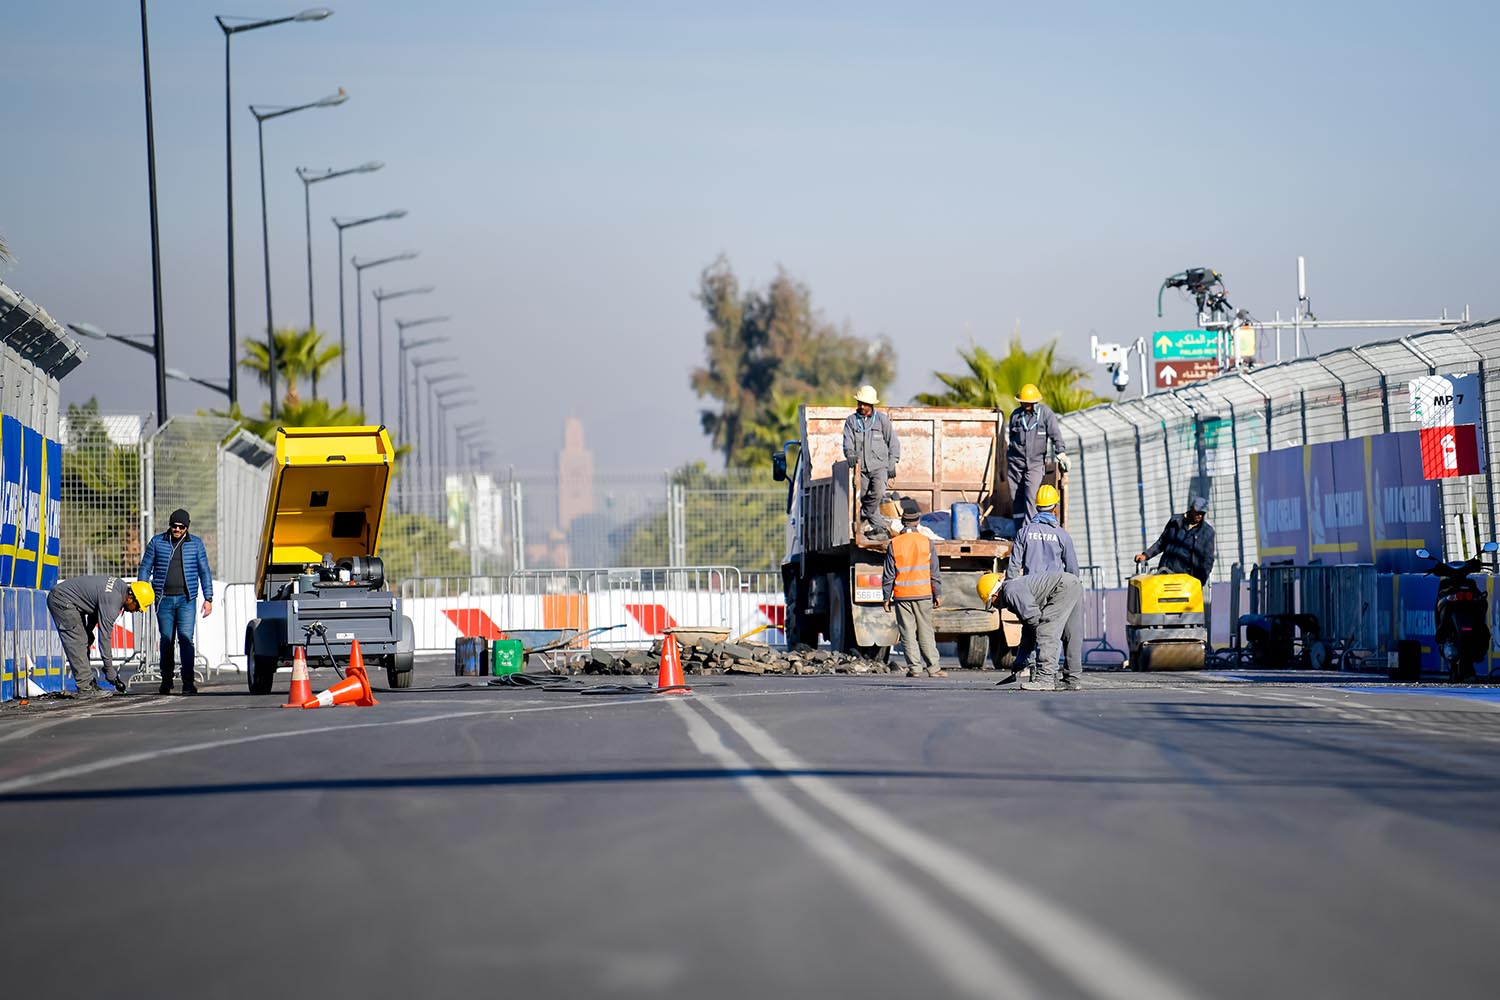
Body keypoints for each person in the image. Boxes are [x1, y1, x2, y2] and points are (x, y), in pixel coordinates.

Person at [1010, 484, 1083, 690]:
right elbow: (1072, 570)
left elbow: (1013, 568)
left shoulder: (1024, 533)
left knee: (1034, 631)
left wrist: (1013, 595)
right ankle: (1072, 679)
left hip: (1032, 591)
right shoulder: (1062, 535)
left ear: (1036, 507)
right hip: (1058, 591)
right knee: (1070, 634)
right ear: (1055, 509)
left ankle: (1035, 673)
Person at [138, 507, 215, 695]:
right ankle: (166, 680)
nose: (177, 530)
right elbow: (145, 568)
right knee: (166, 640)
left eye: (181, 527)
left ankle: (188, 681)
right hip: (163, 599)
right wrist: (142, 594)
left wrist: (208, 597)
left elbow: (204, 570)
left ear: (187, 527)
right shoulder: (157, 542)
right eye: (174, 526)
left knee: (186, 640)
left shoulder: (196, 544)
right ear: (170, 526)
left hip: (186, 599)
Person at [47, 576, 155, 698]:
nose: (139, 610)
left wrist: (88, 631)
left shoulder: (119, 588)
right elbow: (104, 638)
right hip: (62, 601)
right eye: (139, 606)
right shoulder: (113, 602)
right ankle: (85, 687)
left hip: (68, 600)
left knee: (84, 639)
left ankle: (87, 683)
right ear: (131, 598)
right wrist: (110, 671)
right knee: (79, 642)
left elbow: (96, 609)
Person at [978, 565, 1082, 692]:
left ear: (994, 593)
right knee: (1070, 634)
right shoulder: (1014, 588)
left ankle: (1045, 679)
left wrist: (1032, 660)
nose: (995, 606)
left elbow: (1035, 621)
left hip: (1061, 588)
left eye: (991, 602)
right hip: (1072, 583)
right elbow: (1028, 628)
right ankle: (1072, 680)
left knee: (1045, 630)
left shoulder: (1010, 591)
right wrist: (1021, 658)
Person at [883, 498, 943, 678]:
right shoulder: (927, 542)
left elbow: (888, 574)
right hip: (924, 594)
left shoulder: (894, 544)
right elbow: (934, 571)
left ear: (903, 522)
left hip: (902, 596)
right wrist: (937, 593)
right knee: (925, 630)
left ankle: (914, 669)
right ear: (917, 522)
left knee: (907, 632)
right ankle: (933, 668)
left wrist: (886, 597)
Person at [843, 384, 900, 540]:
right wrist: (850, 454)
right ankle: (880, 528)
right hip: (860, 469)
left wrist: (892, 462)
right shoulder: (851, 421)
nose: (861, 406)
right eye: (860, 403)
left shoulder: (882, 420)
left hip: (879, 466)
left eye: (865, 404)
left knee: (879, 491)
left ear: (872, 404)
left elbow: (893, 443)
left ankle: (862, 515)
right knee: (865, 496)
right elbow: (847, 443)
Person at [1006, 383, 1069, 521]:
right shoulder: (1015, 416)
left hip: (1035, 463)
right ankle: (1018, 532)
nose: (1026, 405)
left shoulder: (1046, 414)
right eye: (1024, 402)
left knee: (1031, 496)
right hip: (1016, 464)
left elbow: (1055, 434)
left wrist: (1061, 453)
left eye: (1029, 403)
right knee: (1016, 497)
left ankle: (1029, 531)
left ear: (1036, 402)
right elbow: (1011, 439)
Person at [1136, 495, 1216, 585]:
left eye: (1202, 513)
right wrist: (1146, 555)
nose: (1199, 516)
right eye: (1197, 512)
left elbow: (1208, 559)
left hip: (1187, 580)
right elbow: (1161, 542)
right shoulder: (1175, 522)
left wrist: (1200, 580)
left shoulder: (1207, 532)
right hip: (1165, 572)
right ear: (1191, 509)